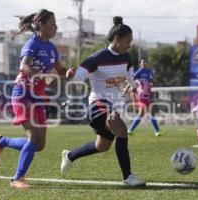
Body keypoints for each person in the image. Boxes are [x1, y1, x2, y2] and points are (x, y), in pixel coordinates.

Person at [62, 16, 146, 187]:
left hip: (114, 105)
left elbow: (127, 77)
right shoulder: (97, 58)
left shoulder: (127, 57)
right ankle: (128, 177)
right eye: (127, 41)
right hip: (98, 104)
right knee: (121, 128)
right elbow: (79, 75)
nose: (130, 45)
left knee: (102, 146)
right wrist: (71, 75)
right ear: (117, 39)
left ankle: (70, 156)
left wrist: (132, 89)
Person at [0, 9, 67, 189]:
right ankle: (16, 179)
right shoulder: (32, 44)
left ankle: (1, 141)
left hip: (38, 98)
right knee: (33, 138)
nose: (56, 27)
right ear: (41, 25)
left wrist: (68, 72)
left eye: (56, 24)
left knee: (39, 145)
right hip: (22, 94)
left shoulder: (52, 47)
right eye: (52, 24)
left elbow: (60, 70)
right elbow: (24, 66)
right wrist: (39, 76)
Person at [126, 59, 167, 136]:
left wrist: (152, 85)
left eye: (146, 62)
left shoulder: (149, 71)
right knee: (145, 113)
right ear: (140, 64)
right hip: (141, 95)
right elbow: (131, 80)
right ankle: (157, 131)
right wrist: (126, 88)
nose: (145, 63)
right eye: (143, 62)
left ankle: (131, 130)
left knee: (147, 113)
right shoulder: (139, 72)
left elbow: (151, 82)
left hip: (148, 96)